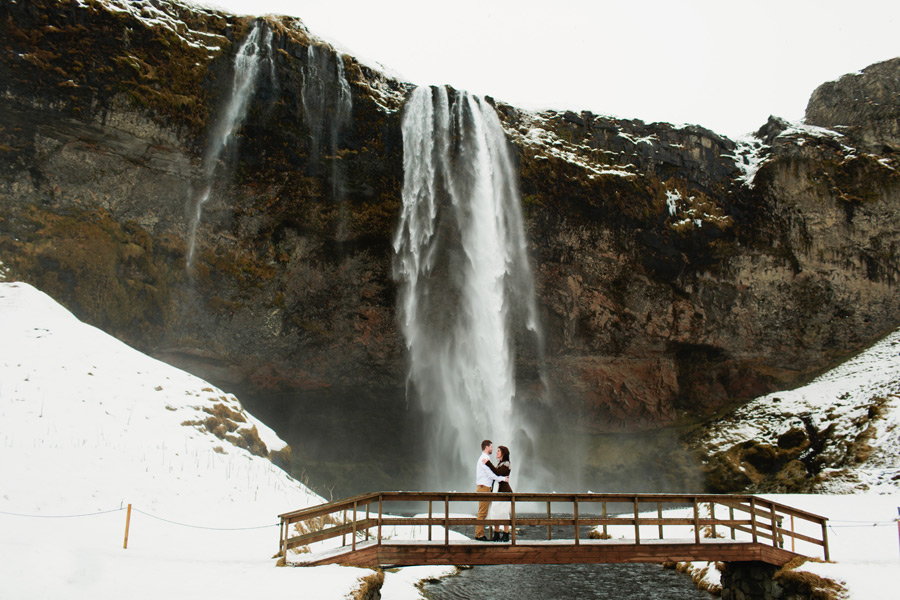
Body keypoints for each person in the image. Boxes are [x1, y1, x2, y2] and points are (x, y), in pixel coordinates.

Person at [475, 439, 507, 542]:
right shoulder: (484, 458)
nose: (493, 449)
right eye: (492, 447)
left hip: (484, 487)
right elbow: (491, 475)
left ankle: (480, 533)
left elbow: (492, 473)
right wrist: (503, 479)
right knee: (482, 512)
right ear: (487, 447)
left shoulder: (484, 458)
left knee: (482, 512)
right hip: (484, 487)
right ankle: (479, 535)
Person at [487, 445, 512, 541]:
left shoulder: (507, 464)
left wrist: (488, 463)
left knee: (504, 513)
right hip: (497, 490)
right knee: (494, 512)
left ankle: (506, 534)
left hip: (505, 491)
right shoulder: (500, 464)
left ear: (503, 453)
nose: (496, 452)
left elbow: (497, 473)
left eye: (498, 451)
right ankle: (496, 534)